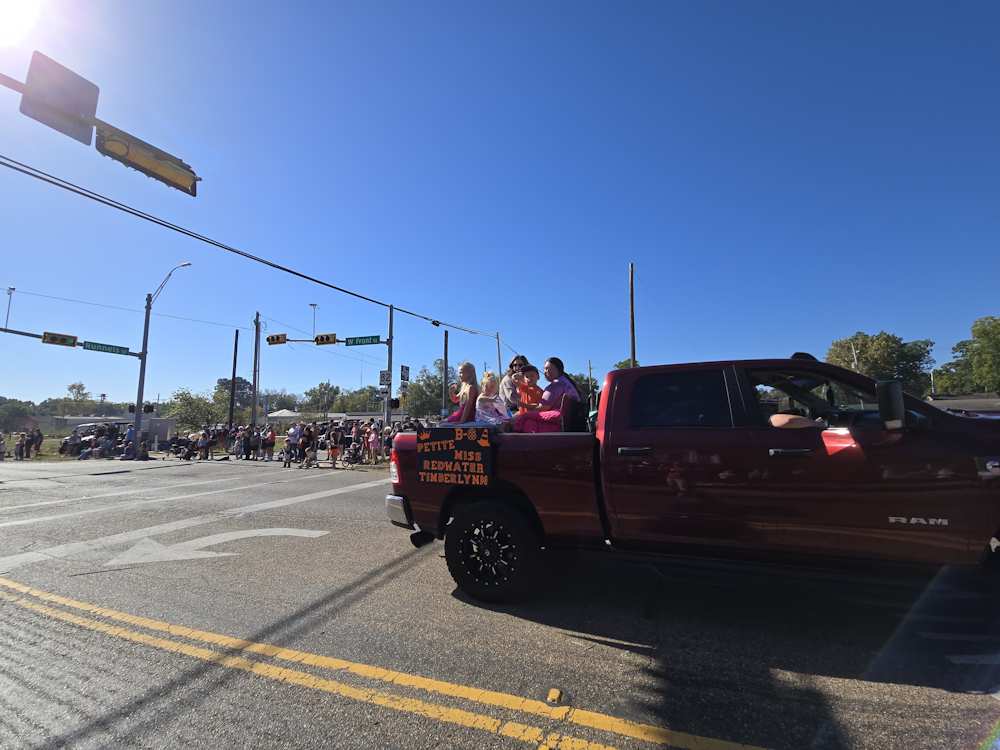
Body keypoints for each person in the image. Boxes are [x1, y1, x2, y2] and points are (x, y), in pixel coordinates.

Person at [513, 357, 581, 433]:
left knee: (526, 419)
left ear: (558, 370)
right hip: (571, 421)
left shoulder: (556, 384)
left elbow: (542, 408)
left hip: (563, 421)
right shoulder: (565, 381)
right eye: (545, 369)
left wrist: (522, 405)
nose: (546, 371)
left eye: (550, 369)